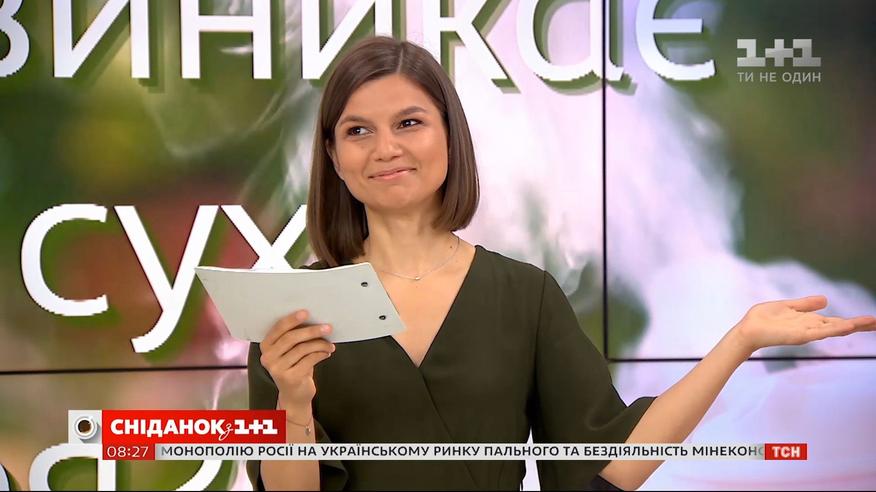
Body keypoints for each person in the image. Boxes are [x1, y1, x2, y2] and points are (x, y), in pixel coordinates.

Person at [246, 36, 876, 491]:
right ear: (333, 156)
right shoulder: (295, 313)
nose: (385, 148)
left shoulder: (524, 295)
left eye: (409, 123)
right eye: (357, 131)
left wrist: (740, 340)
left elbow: (613, 461)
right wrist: (293, 403)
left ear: (450, 137)